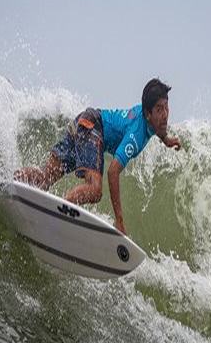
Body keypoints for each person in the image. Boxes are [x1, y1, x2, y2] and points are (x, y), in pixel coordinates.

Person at [14, 78, 181, 234]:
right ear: (147, 113)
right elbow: (113, 172)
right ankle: (58, 216)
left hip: (85, 120)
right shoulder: (136, 135)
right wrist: (119, 220)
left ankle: (12, 180)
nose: (165, 114)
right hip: (93, 127)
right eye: (159, 109)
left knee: (45, 177)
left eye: (166, 107)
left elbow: (157, 125)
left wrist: (165, 139)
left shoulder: (148, 117)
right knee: (95, 190)